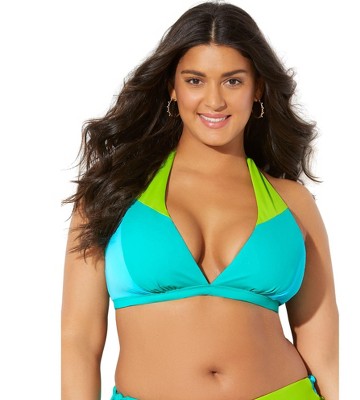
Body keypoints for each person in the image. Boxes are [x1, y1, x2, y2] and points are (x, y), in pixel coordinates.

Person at [61, 2, 338, 399]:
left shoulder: (293, 201)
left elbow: (323, 351)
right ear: (172, 87)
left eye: (233, 81)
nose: (214, 101)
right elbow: (79, 340)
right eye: (195, 80)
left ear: (258, 88)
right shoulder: (111, 192)